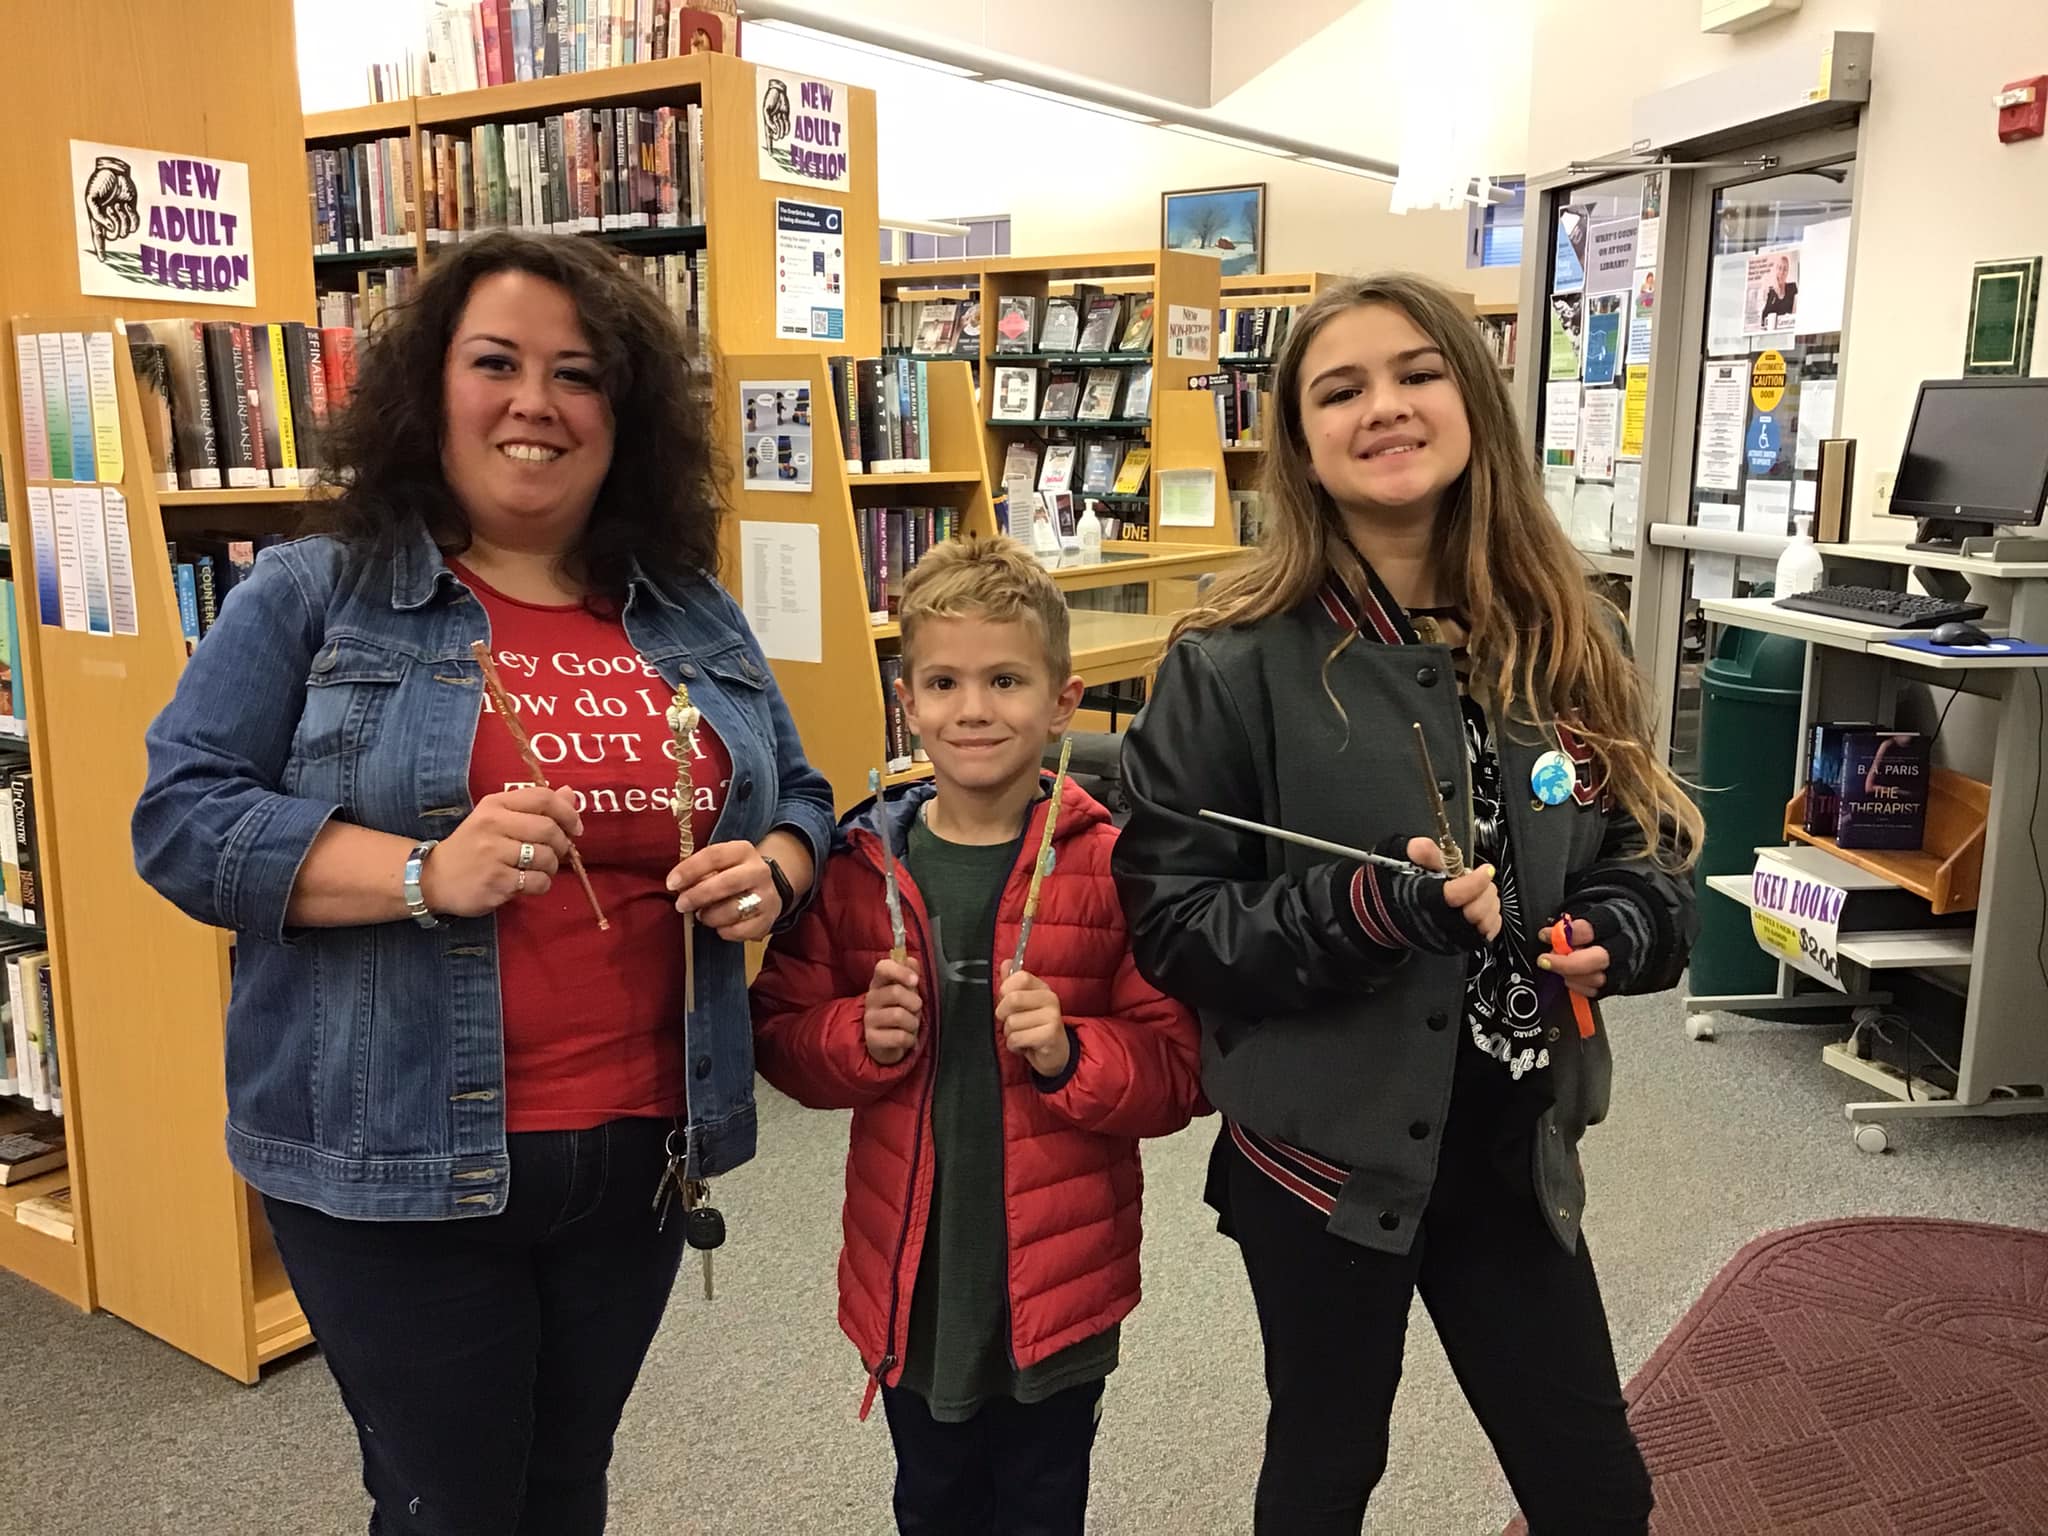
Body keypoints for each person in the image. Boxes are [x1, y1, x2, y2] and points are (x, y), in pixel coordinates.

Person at [132, 231, 835, 1536]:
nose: (535, 403)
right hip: (392, 1156)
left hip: (640, 1147)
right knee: (453, 1504)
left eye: (577, 375)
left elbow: (800, 792)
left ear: (621, 418)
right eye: (496, 363)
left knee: (564, 1489)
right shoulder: (311, 595)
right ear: (428, 389)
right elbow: (181, 822)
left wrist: (775, 872)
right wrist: (420, 871)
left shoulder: (686, 609)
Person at [1111, 273, 1703, 1536]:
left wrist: (1623, 922)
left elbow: (1643, 845)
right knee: (1324, 1472)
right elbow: (1172, 927)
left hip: (1513, 1150)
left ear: (1474, 400)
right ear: (1302, 444)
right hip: (1322, 1166)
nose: (1383, 407)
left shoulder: (1566, 631)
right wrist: (1365, 913)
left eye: (1415, 373)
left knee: (1594, 1490)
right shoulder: (1228, 667)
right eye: (1340, 389)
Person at [750, 536, 1204, 1536]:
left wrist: (1072, 1052)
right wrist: (853, 1037)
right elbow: (780, 1035)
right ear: (904, 701)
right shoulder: (859, 864)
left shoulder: (1114, 870)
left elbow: (1176, 1074)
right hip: (912, 1287)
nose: (973, 709)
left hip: (1058, 1284)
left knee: (1042, 1502)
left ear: (1061, 700)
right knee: (933, 1496)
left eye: (1005, 679)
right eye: (944, 682)